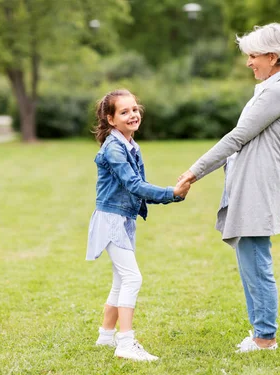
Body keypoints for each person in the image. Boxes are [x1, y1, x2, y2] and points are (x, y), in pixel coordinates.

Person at [178, 23, 280, 353]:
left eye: (253, 55)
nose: (249, 62)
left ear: (273, 57)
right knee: (249, 262)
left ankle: (265, 338)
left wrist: (194, 172)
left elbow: (236, 137)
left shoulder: (278, 91)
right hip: (251, 186)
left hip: (259, 188)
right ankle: (260, 332)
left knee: (256, 263)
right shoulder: (271, 87)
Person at [87, 89, 191, 361]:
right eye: (124, 111)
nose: (132, 115)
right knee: (132, 278)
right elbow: (134, 185)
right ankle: (125, 343)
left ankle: (105, 337)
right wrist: (171, 193)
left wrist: (172, 196)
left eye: (134, 109)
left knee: (121, 279)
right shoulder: (114, 148)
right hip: (111, 220)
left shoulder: (130, 145)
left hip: (123, 219)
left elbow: (137, 189)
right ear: (111, 119)